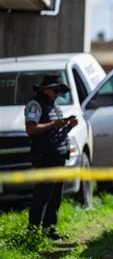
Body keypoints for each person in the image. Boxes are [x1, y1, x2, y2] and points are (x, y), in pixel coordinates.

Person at [25, 75, 78, 240]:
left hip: (58, 155)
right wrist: (55, 124)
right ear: (44, 89)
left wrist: (68, 126)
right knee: (42, 195)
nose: (57, 94)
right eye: (55, 90)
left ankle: (50, 229)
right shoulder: (35, 105)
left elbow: (56, 134)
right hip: (45, 157)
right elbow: (31, 129)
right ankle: (33, 232)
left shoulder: (54, 106)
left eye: (60, 91)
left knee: (55, 195)